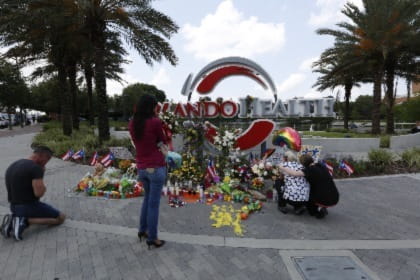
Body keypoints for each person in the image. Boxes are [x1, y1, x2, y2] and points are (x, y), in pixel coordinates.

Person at [1, 146, 66, 241]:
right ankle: (25, 221)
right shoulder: (35, 168)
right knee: (61, 218)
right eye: (47, 159)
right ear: (41, 156)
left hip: (13, 206)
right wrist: (42, 178)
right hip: (29, 206)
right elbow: (39, 193)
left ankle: (16, 218)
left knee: (26, 211)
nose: (46, 162)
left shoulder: (15, 164)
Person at [129, 94, 167, 250]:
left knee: (146, 200)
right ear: (151, 107)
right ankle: (152, 238)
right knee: (153, 205)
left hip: (141, 168)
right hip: (155, 167)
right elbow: (162, 141)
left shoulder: (132, 123)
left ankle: (142, 230)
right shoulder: (155, 122)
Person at [278, 154, 339, 219]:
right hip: (334, 196)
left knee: (310, 205)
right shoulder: (321, 165)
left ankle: (318, 211)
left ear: (304, 164)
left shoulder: (309, 170)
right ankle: (320, 207)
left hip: (323, 199)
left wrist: (282, 167)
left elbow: (294, 173)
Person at [277, 151, 310, 215]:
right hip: (304, 198)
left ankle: (282, 205)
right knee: (296, 187)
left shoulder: (284, 165)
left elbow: (281, 177)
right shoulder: (302, 166)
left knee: (278, 182)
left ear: (285, 158)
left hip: (291, 198)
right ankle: (298, 208)